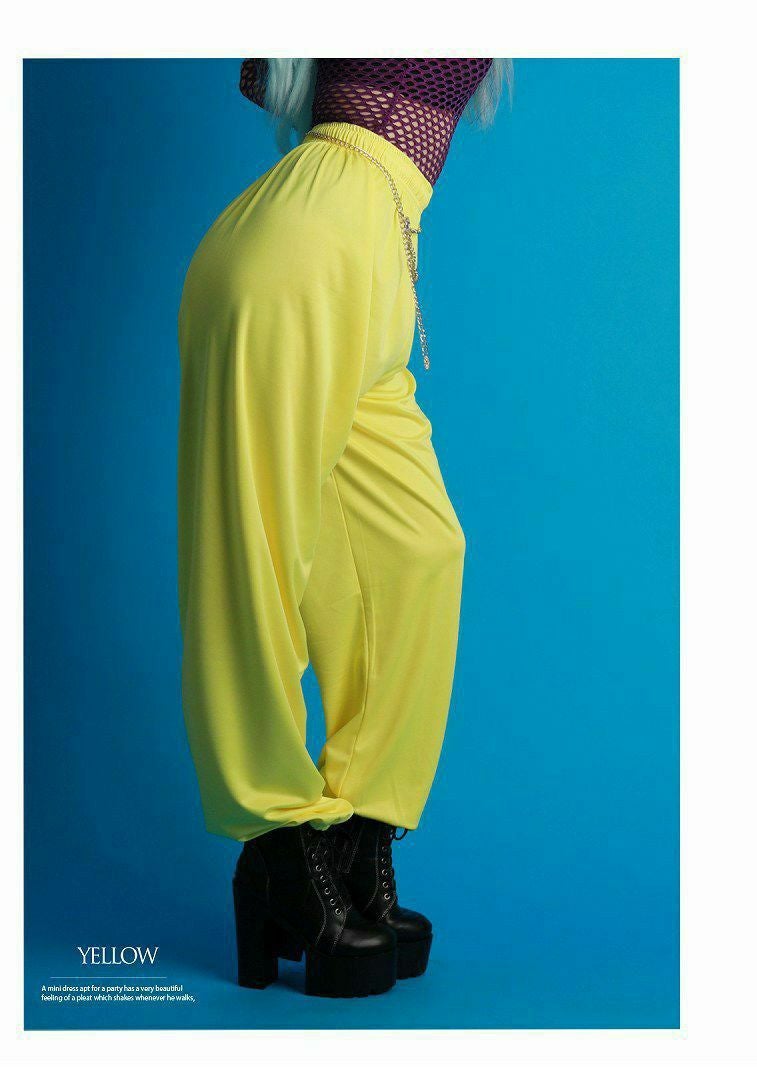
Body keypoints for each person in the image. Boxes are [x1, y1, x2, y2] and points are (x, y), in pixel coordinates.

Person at [177, 58, 512, 998]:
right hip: (302, 243)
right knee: (256, 551)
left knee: (418, 550)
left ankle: (358, 838)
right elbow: (265, 70)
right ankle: (276, 845)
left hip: (381, 254)